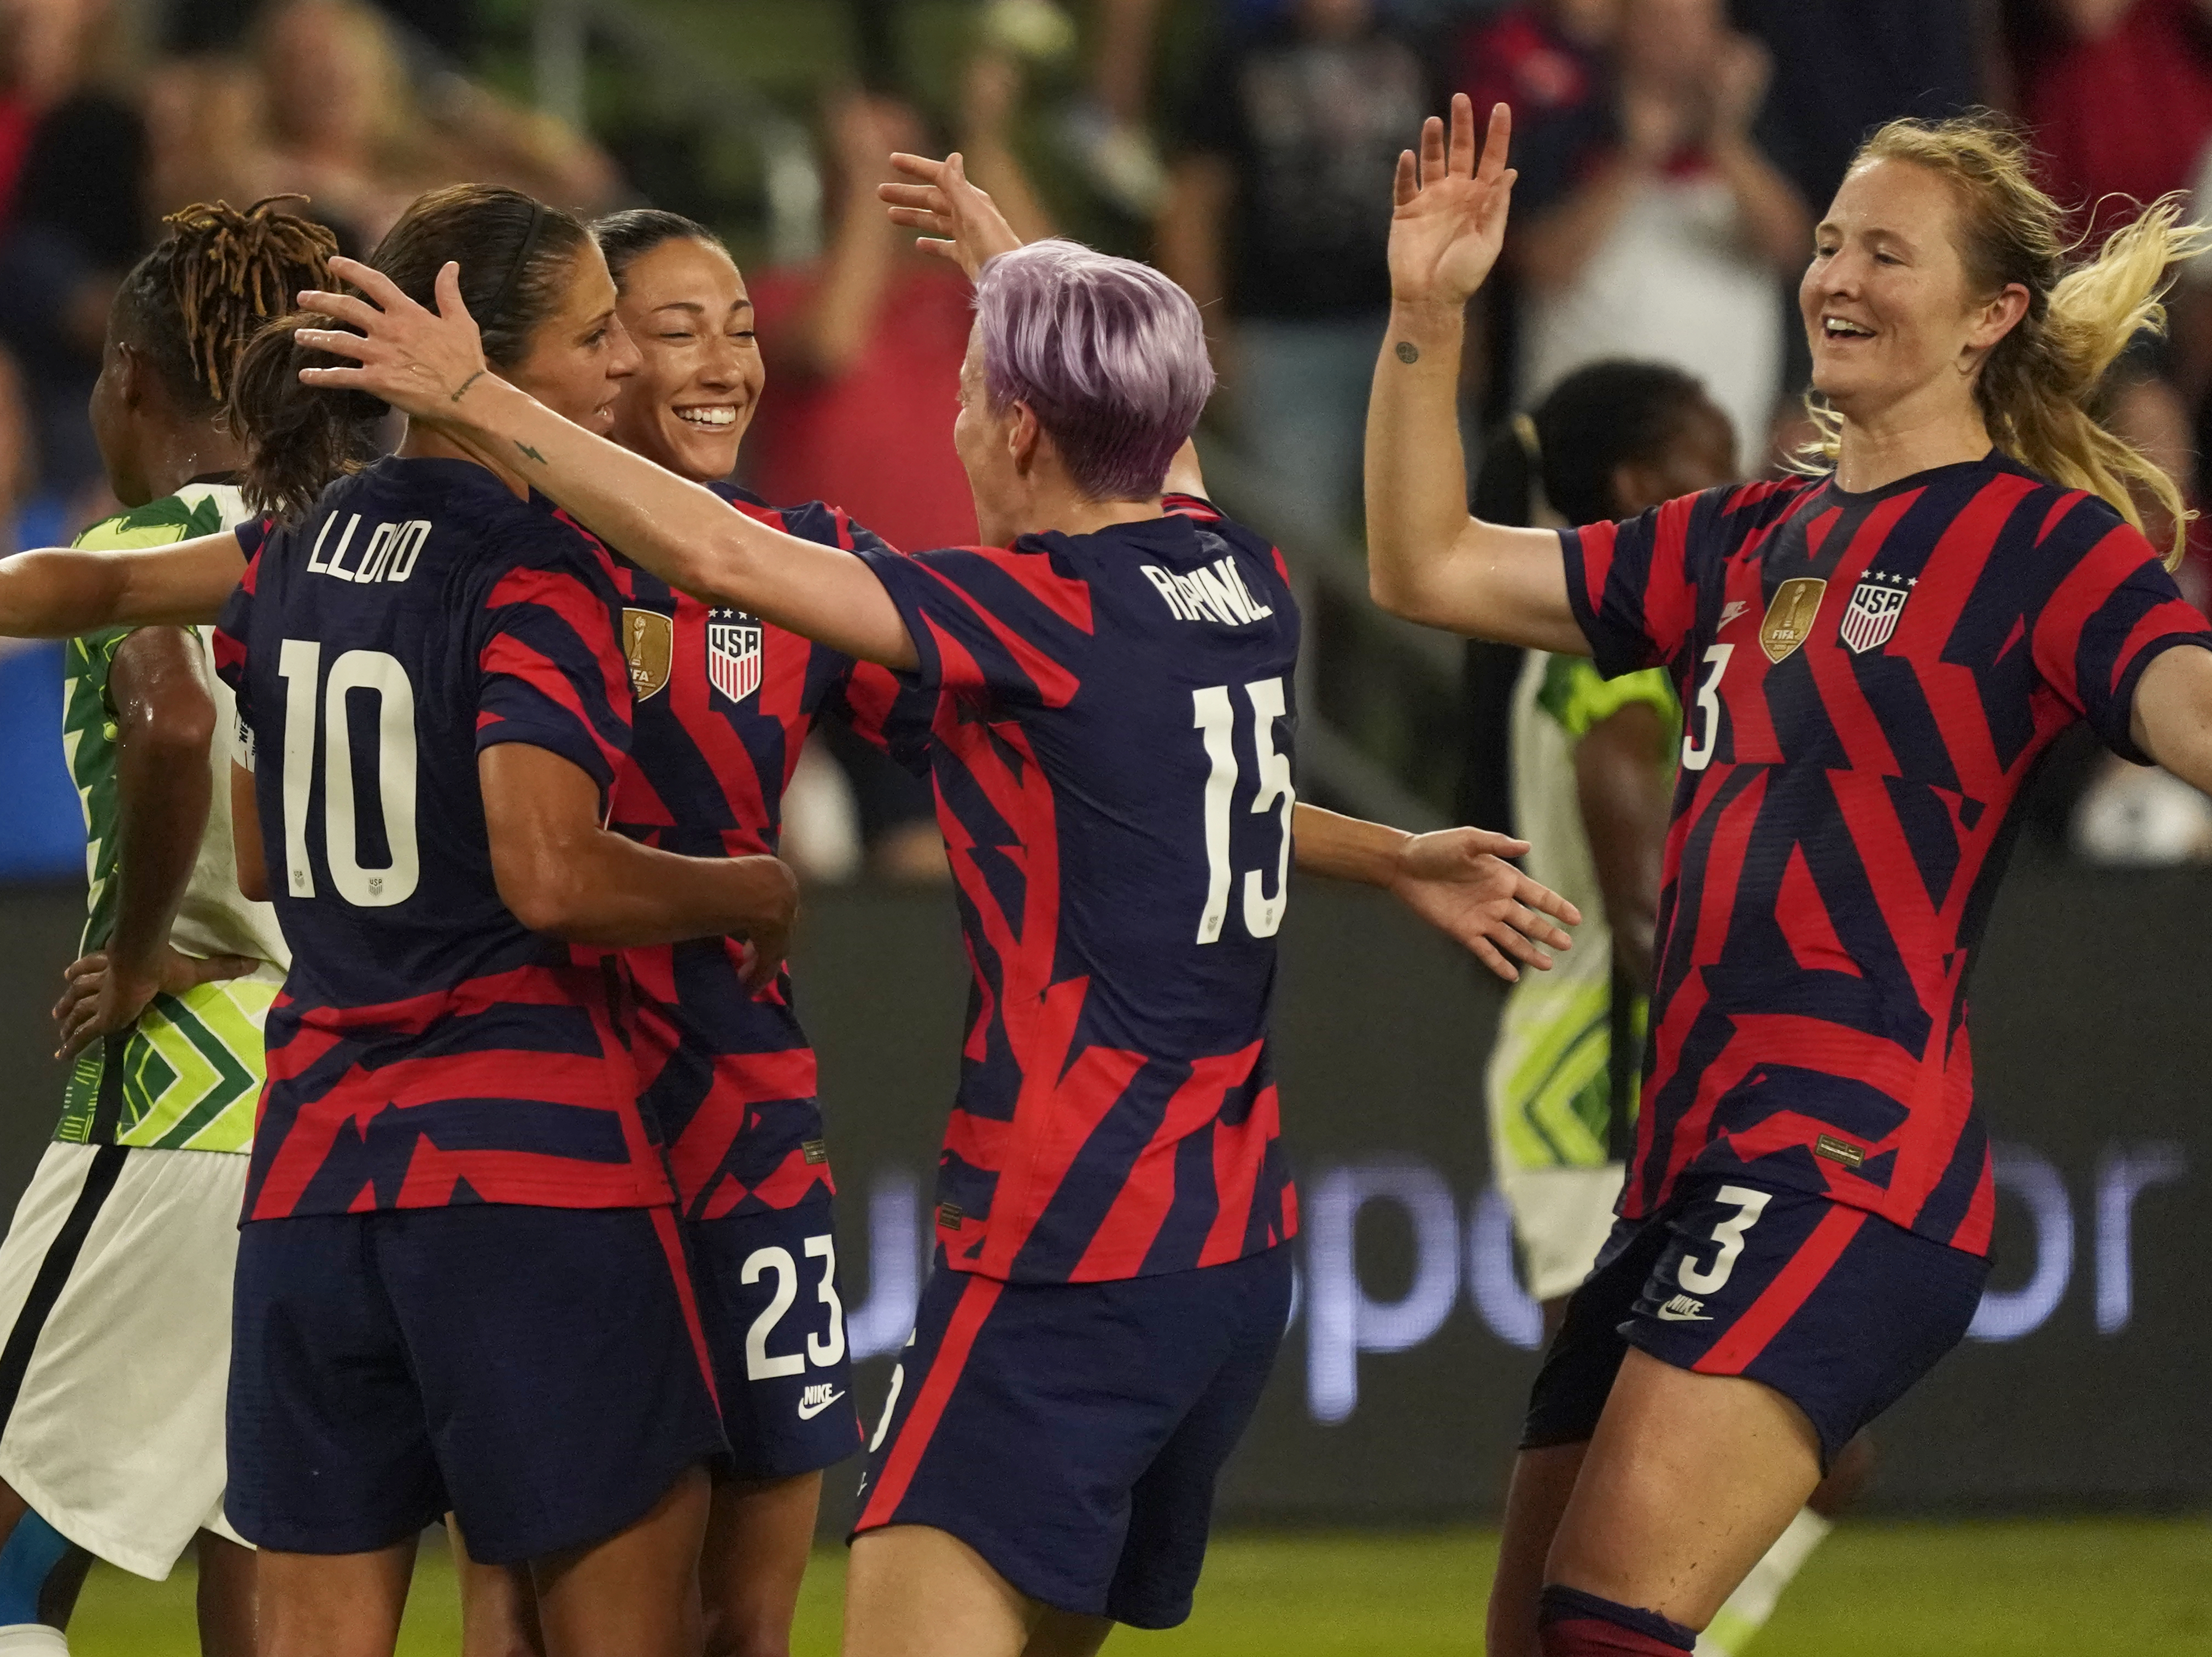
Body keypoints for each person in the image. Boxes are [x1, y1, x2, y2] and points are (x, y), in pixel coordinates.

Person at [286, 149, 1581, 1656]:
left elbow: (715, 548)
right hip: (1220, 1249)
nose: (951, 417)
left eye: (971, 387)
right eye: (662, 329)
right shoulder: (1235, 572)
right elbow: (1147, 528)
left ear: (1021, 422)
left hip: (1051, 1235)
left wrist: (468, 395)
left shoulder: (1019, 610)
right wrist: (1396, 852)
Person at [1366, 95, 2212, 1657]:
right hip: (1682, 1170)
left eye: (1887, 252)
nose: (1836, 274)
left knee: (1600, 1620)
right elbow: (1426, 564)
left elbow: (2194, 715)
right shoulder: (1745, 537)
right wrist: (1426, 314)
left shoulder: (2046, 549)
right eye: (1828, 241)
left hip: (1845, 1160)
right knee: (1537, 1637)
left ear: (1990, 315)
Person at [0, 182, 801, 1657]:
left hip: (315, 1171)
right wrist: (744, 882)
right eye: (597, 334)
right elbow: (552, 874)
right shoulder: (539, 564)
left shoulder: (297, 550)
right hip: (521, 1159)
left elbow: (259, 844)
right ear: (474, 346)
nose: (626, 362)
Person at [446, 206, 934, 1657]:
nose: (724, 364)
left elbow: (1056, 734)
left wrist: (1376, 849)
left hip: (742, 1109)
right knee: (524, 1604)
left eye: (741, 328)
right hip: (548, 1110)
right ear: (598, 361)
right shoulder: (499, 562)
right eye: (674, 332)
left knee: (749, 1614)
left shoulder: (800, 564)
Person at [1472, 360, 1874, 1657]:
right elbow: (1649, 914)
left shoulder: (1619, 653)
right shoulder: (1612, 669)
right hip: (1603, 1096)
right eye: (1712, 458)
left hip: (1622, 1087)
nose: (1743, 482)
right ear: (1643, 488)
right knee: (1647, 1464)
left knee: (1775, 1453)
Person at [0, 196, 332, 1657]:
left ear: (131, 378)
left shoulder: (145, 549)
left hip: (182, 1099)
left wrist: (137, 953)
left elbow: (174, 717)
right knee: (260, 1563)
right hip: (333, 1099)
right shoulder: (354, 554)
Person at [1157, 0, 1433, 541]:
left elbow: (1455, 192)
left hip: (1410, 333)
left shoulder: (1421, 49)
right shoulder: (1239, 56)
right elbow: (1192, 204)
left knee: (1437, 531)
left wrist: (1464, 328)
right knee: (1291, 546)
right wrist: (1206, 341)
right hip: (1281, 342)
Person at [1507, 0, 1810, 465]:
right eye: (1660, 19)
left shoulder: (1758, 133)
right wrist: (1636, 155)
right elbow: (1544, 266)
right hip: (1580, 456)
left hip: (1720, 457)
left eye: (1695, 20)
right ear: (1620, 26)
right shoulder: (1566, 125)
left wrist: (1725, 141)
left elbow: (1791, 248)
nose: (1677, 36)